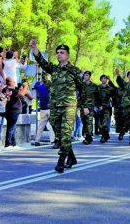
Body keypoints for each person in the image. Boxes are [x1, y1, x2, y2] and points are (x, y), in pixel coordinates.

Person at [30, 39, 86, 173]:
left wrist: (85, 106)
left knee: (66, 133)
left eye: (62, 52)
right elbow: (41, 62)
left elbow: (83, 89)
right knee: (59, 135)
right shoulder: (54, 69)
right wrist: (34, 47)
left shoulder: (74, 71)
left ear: (67, 55)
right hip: (55, 106)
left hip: (69, 107)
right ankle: (71, 157)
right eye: (58, 53)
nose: (59, 54)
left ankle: (61, 162)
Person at [2, 77, 28, 148]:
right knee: (11, 127)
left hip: (9, 110)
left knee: (12, 127)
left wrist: (20, 88)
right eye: (13, 81)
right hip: (13, 111)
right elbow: (22, 95)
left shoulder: (5, 89)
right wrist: (26, 86)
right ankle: (8, 143)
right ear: (10, 82)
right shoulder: (12, 90)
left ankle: (13, 143)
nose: (14, 83)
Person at [34, 79, 55, 146]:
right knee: (52, 126)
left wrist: (38, 82)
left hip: (43, 108)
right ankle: (52, 140)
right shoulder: (52, 87)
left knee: (41, 125)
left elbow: (35, 85)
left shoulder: (41, 87)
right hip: (51, 109)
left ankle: (37, 140)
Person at [80, 71, 97, 145]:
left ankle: (88, 137)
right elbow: (80, 96)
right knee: (84, 121)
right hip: (82, 106)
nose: (85, 77)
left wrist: (98, 105)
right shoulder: (81, 85)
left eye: (87, 75)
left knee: (89, 122)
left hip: (90, 107)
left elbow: (98, 96)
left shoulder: (94, 86)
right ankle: (87, 134)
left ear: (89, 76)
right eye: (84, 75)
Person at [96, 74, 114, 143]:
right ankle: (106, 134)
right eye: (102, 78)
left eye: (105, 78)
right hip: (100, 108)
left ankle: (103, 137)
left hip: (107, 108)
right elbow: (96, 97)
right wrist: (98, 105)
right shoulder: (98, 87)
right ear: (100, 80)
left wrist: (110, 80)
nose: (104, 79)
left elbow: (115, 92)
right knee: (100, 124)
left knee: (104, 123)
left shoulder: (110, 88)